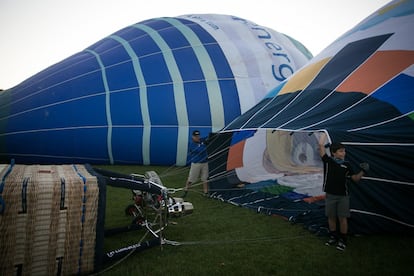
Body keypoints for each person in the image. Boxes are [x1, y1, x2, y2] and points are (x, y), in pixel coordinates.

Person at [318, 133, 369, 251]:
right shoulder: (328, 161)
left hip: (343, 196)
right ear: (334, 153)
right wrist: (324, 132)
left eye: (344, 151)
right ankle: (333, 237)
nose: (344, 153)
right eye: (341, 151)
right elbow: (320, 145)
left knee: (342, 218)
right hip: (330, 195)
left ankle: (343, 240)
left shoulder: (347, 165)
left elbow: (355, 179)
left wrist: (363, 171)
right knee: (331, 217)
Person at [183, 130, 209, 197]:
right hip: (196, 163)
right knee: (191, 179)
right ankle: (186, 190)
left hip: (204, 163)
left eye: (198, 136)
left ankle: (205, 192)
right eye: (195, 136)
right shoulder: (192, 144)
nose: (197, 137)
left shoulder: (201, 140)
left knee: (205, 178)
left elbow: (208, 137)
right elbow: (200, 150)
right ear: (192, 136)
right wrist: (205, 144)